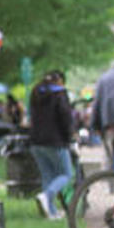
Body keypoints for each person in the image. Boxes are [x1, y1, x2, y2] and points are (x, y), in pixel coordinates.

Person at [28, 70, 74, 219]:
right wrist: (70, 138)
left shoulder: (35, 93)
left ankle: (51, 211)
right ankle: (47, 196)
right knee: (66, 174)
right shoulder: (60, 94)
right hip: (56, 141)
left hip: (36, 141)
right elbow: (65, 118)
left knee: (47, 176)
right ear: (60, 80)